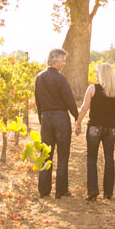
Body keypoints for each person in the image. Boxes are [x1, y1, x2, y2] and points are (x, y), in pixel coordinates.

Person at [74, 61, 115, 201]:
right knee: (109, 158)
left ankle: (92, 192)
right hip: (111, 128)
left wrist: (78, 123)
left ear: (102, 74)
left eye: (97, 72)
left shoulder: (92, 89)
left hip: (94, 128)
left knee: (92, 159)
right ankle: (108, 192)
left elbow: (84, 108)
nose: (95, 73)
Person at [34, 48, 78, 198]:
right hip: (61, 118)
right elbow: (69, 100)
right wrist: (77, 117)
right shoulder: (61, 79)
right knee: (63, 154)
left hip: (46, 117)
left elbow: (37, 101)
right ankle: (61, 190)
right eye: (63, 61)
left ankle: (43, 190)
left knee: (45, 154)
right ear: (56, 61)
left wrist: (42, 118)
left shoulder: (39, 78)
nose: (64, 64)